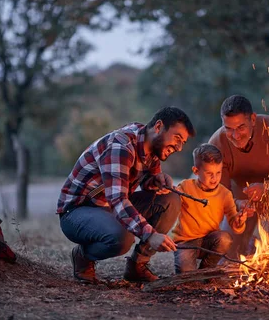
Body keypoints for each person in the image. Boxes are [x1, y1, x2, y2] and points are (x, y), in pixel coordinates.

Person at [57, 107, 196, 283]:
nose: (179, 147)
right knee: (122, 238)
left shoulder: (150, 147)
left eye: (182, 142)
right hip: (78, 212)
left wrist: (156, 180)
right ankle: (83, 256)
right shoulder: (121, 146)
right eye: (177, 138)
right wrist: (150, 235)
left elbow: (144, 181)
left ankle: (137, 266)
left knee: (170, 199)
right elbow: (117, 199)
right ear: (159, 127)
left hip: (108, 208)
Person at [209, 95, 269, 258]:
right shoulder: (217, 144)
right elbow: (219, 191)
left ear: (252, 119)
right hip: (240, 200)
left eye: (240, 127)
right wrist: (237, 204)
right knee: (227, 252)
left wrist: (266, 187)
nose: (235, 135)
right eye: (229, 128)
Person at [172, 144, 248, 274]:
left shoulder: (225, 194)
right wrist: (171, 194)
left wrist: (239, 221)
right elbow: (173, 204)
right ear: (196, 171)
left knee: (225, 238)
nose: (214, 178)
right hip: (186, 241)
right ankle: (190, 270)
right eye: (209, 173)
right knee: (185, 275)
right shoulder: (185, 187)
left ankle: (206, 269)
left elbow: (233, 222)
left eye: (218, 173)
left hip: (209, 241)